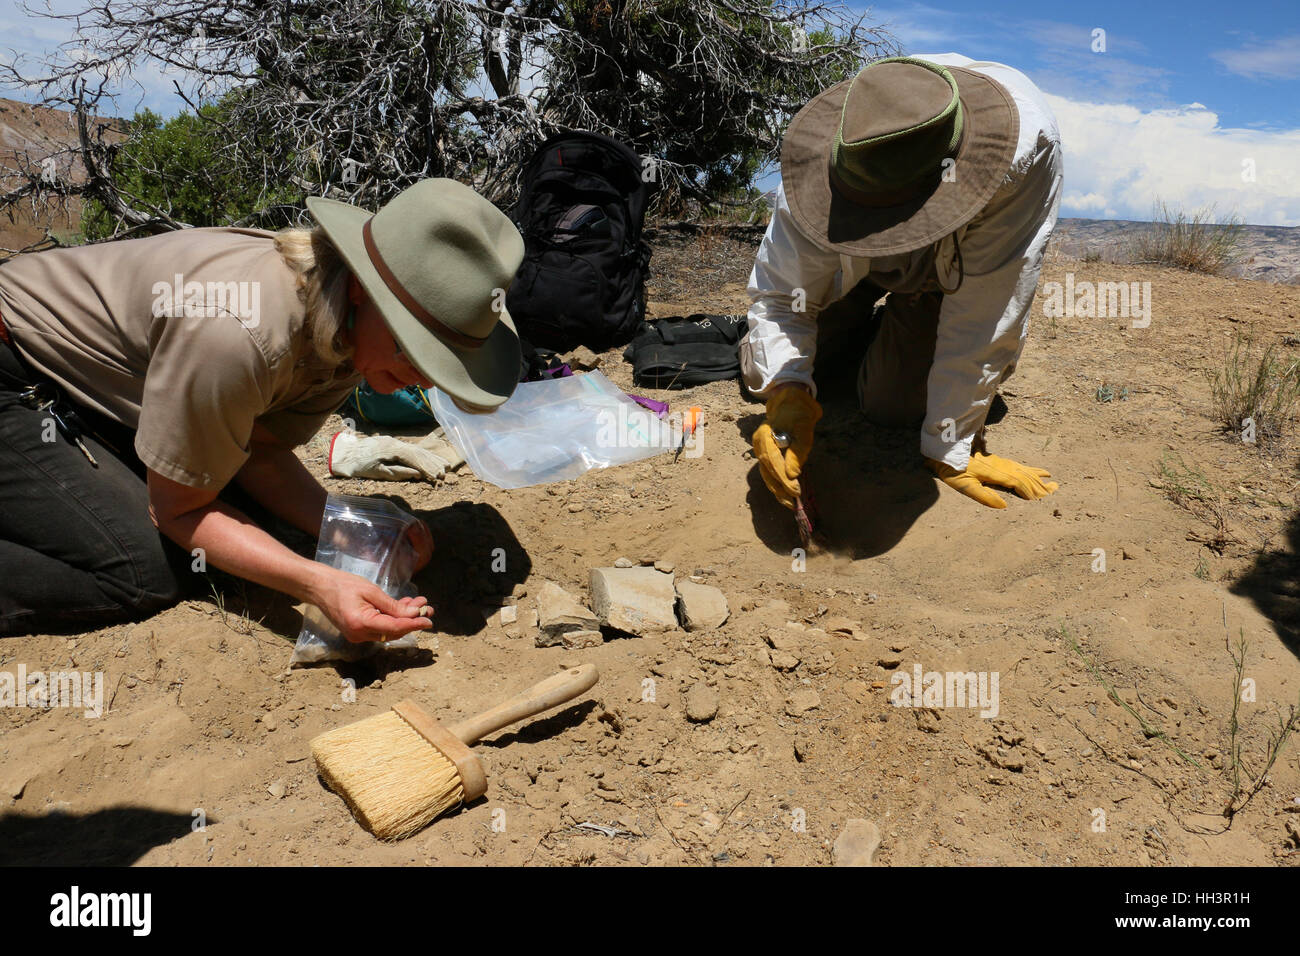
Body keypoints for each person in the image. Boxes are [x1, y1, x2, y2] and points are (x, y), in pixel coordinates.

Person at [0, 178, 524, 639]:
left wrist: (348, 529)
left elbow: (259, 448)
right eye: (417, 349)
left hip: (91, 387)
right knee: (145, 566)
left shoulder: (345, 326)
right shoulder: (240, 331)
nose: (425, 377)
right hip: (17, 368)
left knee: (243, 527)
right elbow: (178, 508)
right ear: (365, 291)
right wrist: (320, 584)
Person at [746, 54, 1063, 511]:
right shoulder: (838, 149)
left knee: (891, 407)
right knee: (792, 366)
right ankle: (861, 330)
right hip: (850, 265)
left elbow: (988, 314)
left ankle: (906, 321)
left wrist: (951, 449)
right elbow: (780, 295)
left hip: (943, 274)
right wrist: (785, 391)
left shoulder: (1024, 157)